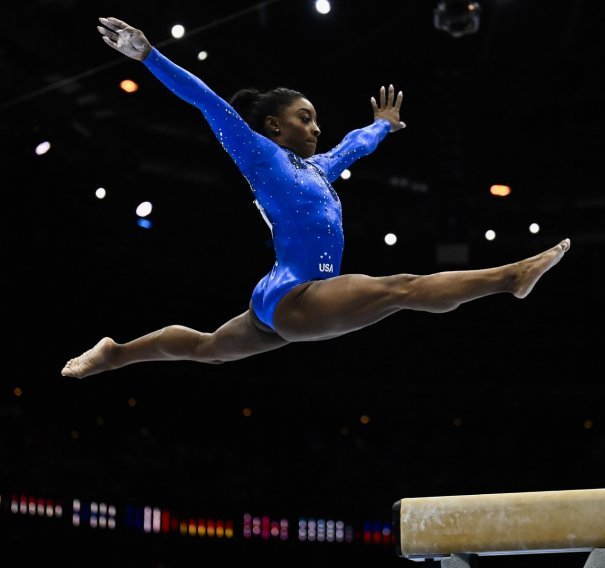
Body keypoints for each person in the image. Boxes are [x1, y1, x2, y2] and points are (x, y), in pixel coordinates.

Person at [61, 16, 571, 379]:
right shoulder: (259, 155)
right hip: (296, 295)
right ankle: (510, 278)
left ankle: (116, 353)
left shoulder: (316, 171)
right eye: (304, 117)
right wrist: (149, 56)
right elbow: (207, 102)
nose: (315, 126)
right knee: (401, 288)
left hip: (284, 297)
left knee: (210, 348)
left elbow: (352, 146)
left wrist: (380, 127)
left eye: (316, 118)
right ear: (271, 125)